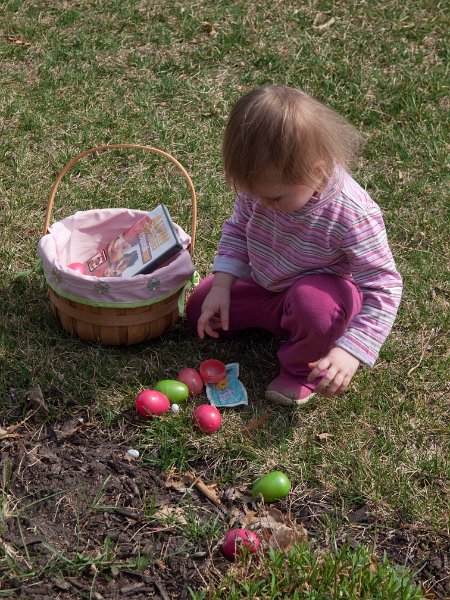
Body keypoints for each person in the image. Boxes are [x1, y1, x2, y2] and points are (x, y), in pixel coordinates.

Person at [186, 85, 403, 406]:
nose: (261, 203)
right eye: (253, 193)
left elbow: (384, 287)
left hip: (321, 295)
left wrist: (351, 350)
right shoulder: (264, 188)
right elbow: (236, 230)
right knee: (199, 308)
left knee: (314, 310)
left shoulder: (352, 213)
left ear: (315, 172)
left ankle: (302, 370)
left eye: (273, 197)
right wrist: (221, 286)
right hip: (267, 284)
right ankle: (283, 322)